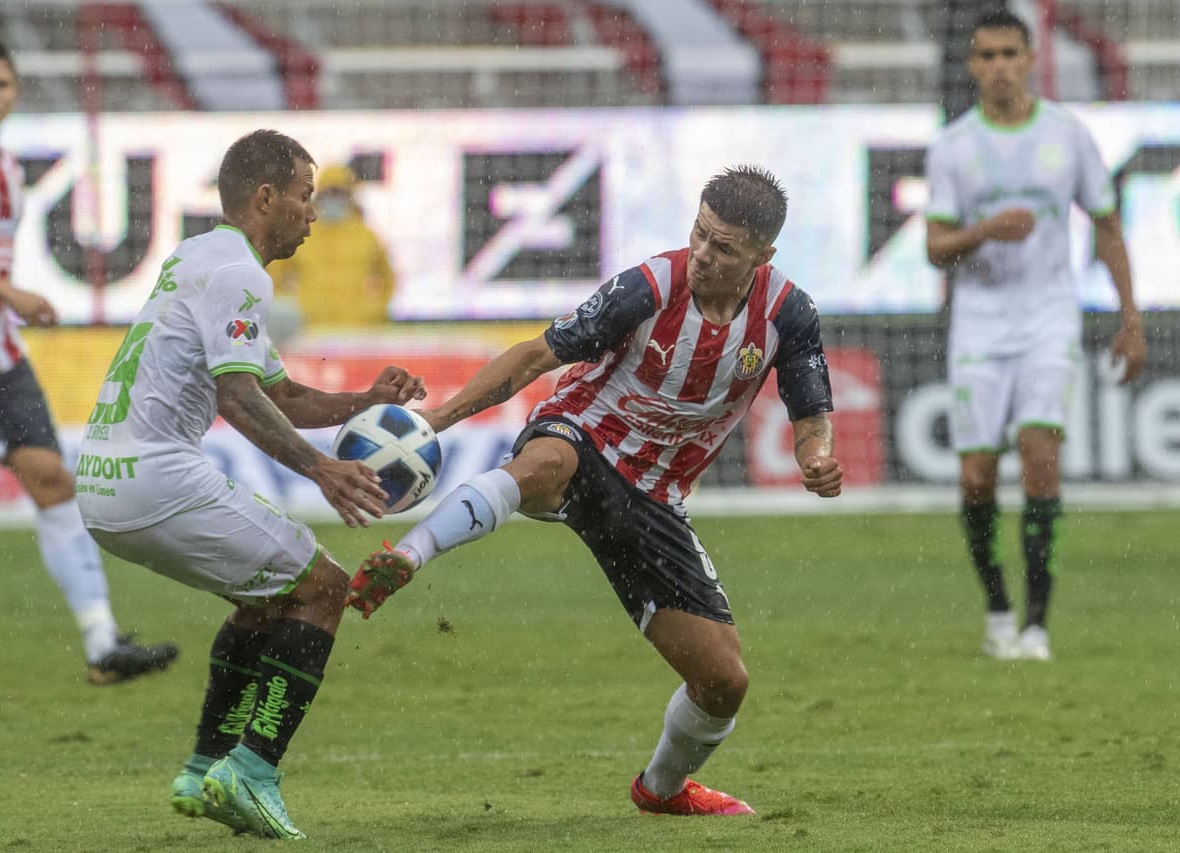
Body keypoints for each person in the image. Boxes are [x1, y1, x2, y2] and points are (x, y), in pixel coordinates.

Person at [347, 165, 843, 816]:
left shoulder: (789, 314)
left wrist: (817, 458)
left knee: (724, 681)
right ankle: (408, 556)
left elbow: (811, 417)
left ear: (762, 256)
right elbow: (534, 356)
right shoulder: (646, 288)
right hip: (584, 435)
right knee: (546, 463)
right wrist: (435, 421)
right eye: (699, 233)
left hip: (653, 498)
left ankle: (661, 791)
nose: (701, 253)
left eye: (723, 247)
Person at [77, 129, 425, 839]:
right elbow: (235, 396)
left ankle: (206, 767)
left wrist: (363, 402)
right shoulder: (243, 273)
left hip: (104, 481)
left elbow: (279, 394)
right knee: (324, 588)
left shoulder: (199, 256)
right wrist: (320, 468)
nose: (313, 212)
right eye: (304, 195)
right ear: (266, 198)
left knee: (267, 601)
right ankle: (253, 769)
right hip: (157, 477)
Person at [0, 40, 177, 685]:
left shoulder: (5, 165)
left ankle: (103, 644)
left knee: (52, 480)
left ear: (15, 93)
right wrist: (11, 294)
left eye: (2, 85)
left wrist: (1, 303)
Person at [924, 9, 1147, 662]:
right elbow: (936, 248)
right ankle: (999, 609)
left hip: (1049, 315)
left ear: (1029, 60)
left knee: (1040, 456)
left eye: (1008, 54)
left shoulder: (1067, 135)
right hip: (980, 321)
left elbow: (1107, 226)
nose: (998, 66)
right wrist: (983, 232)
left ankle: (1038, 625)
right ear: (972, 66)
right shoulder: (953, 146)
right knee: (976, 477)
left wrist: (1130, 318)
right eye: (986, 55)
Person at [264, 163, 395, 339]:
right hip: (310, 332)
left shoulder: (366, 235)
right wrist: (291, 309)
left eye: (339, 193)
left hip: (358, 330)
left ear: (349, 196)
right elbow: (274, 277)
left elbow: (388, 277)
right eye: (328, 193)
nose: (333, 199)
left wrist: (376, 309)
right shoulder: (299, 234)